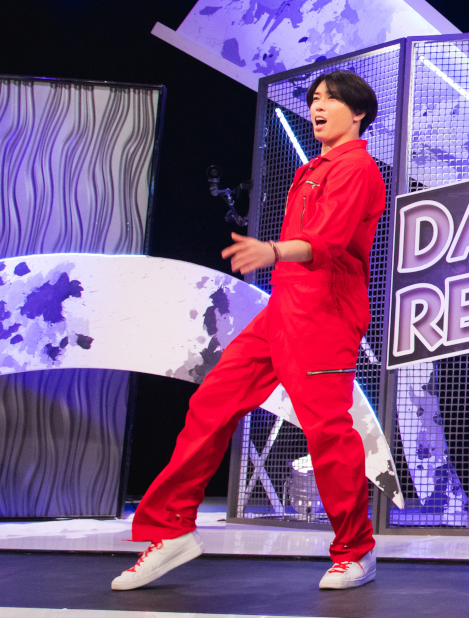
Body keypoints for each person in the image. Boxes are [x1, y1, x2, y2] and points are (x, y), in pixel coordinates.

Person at [112, 71, 387, 591]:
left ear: (358, 114)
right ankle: (172, 530)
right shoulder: (312, 168)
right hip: (284, 307)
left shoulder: (357, 168)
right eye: (315, 99)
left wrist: (273, 250)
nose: (318, 106)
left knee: (327, 431)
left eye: (331, 100)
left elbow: (327, 242)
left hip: (325, 313)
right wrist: (276, 257)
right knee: (211, 402)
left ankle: (356, 551)